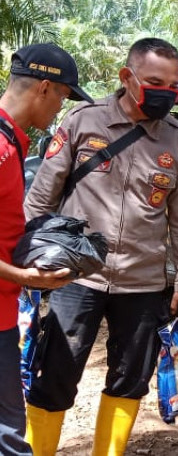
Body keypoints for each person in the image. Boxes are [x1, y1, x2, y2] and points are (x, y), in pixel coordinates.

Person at [23, 38, 178, 455]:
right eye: (156, 82)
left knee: (129, 379)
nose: (167, 93)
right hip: (75, 278)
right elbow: (40, 199)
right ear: (127, 77)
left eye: (174, 86)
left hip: (142, 283)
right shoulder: (83, 122)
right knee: (55, 374)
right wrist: (24, 267)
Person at [0, 43, 91, 456]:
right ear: (42, 88)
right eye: (62, 97)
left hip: (4, 313)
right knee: (9, 434)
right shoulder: (1, 149)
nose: (60, 109)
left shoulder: (12, 142)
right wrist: (24, 277)